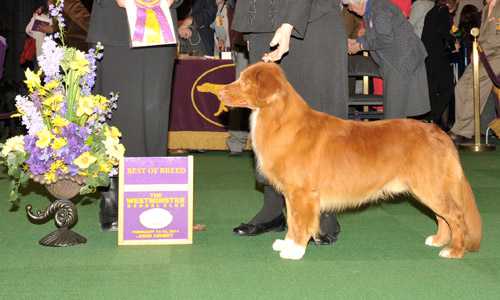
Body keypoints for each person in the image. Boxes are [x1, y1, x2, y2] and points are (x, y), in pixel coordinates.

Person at [231, 0, 348, 244]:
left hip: (313, 23)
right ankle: (272, 209)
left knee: (318, 121)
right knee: (269, 121)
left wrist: (288, 25)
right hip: (263, 19)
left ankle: (324, 211)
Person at [87, 0, 183, 231]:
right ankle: (110, 198)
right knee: (115, 114)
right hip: (114, 30)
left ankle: (151, 197)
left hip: (159, 28)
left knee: (154, 116)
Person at [346, 0, 431, 119]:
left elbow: (385, 39)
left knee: (394, 115)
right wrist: (357, 42)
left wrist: (360, 46)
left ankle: (396, 137)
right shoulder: (372, 9)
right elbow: (375, 35)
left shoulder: (380, 8)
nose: (349, 9)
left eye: (349, 5)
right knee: (397, 114)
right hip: (396, 61)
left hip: (401, 62)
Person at [448, 0, 500, 143]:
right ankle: (461, 127)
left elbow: (497, 39)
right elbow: (481, 36)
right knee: (460, 87)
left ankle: (462, 131)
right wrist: (476, 49)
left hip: (496, 57)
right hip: (482, 55)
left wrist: (480, 49)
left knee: (474, 88)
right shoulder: (485, 9)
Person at [421, 0, 458, 130]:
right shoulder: (443, 11)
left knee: (432, 89)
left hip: (427, 56)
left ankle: (430, 119)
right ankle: (433, 117)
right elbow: (444, 31)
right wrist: (453, 44)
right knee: (448, 87)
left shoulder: (432, 12)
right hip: (438, 55)